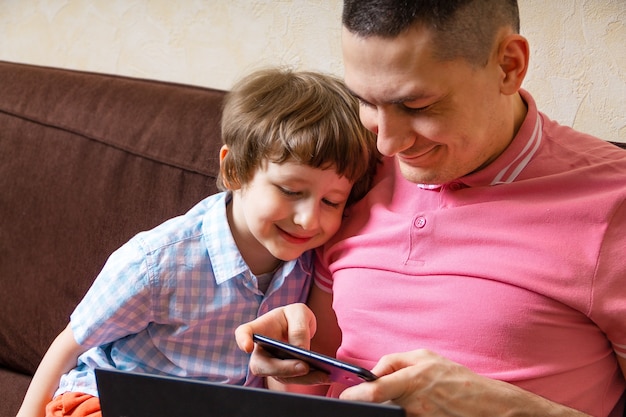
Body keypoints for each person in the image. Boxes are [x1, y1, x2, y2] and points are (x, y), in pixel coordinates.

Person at [235, 1, 626, 416]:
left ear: (508, 66)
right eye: (367, 101)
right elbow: (315, 388)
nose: (386, 145)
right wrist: (288, 362)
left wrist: (505, 408)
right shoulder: (346, 173)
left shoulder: (612, 200)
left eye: (415, 106)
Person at [16, 68, 378, 417]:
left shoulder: (310, 263)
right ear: (234, 169)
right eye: (290, 191)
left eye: (332, 202)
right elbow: (70, 344)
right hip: (105, 402)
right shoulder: (157, 262)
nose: (308, 219)